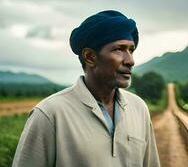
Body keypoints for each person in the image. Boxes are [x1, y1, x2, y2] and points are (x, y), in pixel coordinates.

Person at [12, 10, 160, 167]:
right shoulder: (50, 114)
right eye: (119, 49)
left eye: (131, 50)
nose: (130, 60)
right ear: (90, 57)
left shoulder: (139, 109)